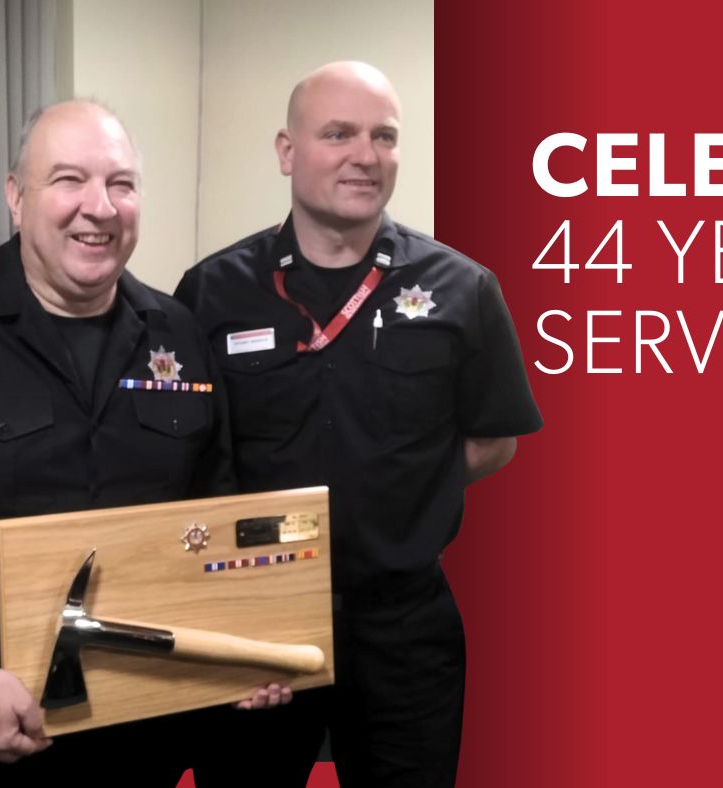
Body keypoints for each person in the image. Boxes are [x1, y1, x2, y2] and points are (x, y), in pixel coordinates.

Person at [0, 100, 282, 787]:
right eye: (68, 179)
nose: (98, 207)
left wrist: (239, 646)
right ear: (16, 197)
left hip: (139, 738)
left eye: (120, 184)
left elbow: (210, 517)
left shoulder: (178, 333)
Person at [174, 61, 543, 787]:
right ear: (287, 151)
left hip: (401, 625)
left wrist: (400, 480)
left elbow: (489, 438)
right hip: (253, 620)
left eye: (384, 137)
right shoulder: (213, 292)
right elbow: (189, 450)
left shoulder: (462, 290)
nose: (364, 155)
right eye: (338, 133)